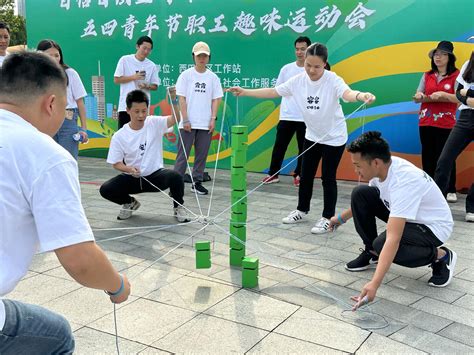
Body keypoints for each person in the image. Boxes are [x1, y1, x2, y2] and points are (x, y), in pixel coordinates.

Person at [0, 51, 131, 354]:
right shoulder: (44, 153)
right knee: (56, 336)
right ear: (51, 103)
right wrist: (117, 285)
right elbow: (80, 260)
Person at [229, 43, 376, 234]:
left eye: (317, 66)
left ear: (325, 64)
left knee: (327, 177)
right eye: (308, 65)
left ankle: (327, 217)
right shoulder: (297, 81)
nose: (312, 70)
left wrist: (361, 95)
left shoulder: (333, 80)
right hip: (312, 135)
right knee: (305, 175)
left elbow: (347, 94)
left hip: (334, 137)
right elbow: (274, 92)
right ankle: (301, 209)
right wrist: (245, 91)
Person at [329, 131, 456, 310]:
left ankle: (440, 256)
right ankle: (372, 253)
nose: (355, 170)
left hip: (432, 227)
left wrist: (374, 284)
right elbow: (368, 201)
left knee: (383, 243)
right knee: (361, 194)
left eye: (358, 165)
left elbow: (393, 238)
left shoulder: (404, 181)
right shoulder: (383, 169)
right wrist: (340, 219)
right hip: (409, 217)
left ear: (375, 162)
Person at [100, 89, 191, 222]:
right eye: (136, 111)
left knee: (176, 176)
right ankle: (130, 203)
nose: (141, 115)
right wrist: (129, 169)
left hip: (155, 177)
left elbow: (175, 119)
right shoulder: (119, 136)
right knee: (106, 189)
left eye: (144, 111)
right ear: (128, 110)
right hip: (133, 177)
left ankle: (178, 207)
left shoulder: (153, 123)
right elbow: (116, 163)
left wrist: (174, 100)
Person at [174, 41, 223, 195]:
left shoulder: (213, 77)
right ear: (193, 57)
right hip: (188, 122)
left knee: (201, 155)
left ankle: (197, 182)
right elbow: (181, 98)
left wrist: (213, 118)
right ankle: (176, 184)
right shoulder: (186, 75)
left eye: (205, 56)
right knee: (183, 155)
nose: (202, 58)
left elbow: (216, 99)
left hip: (205, 123)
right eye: (199, 56)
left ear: (209, 58)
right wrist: (186, 119)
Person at [413, 41, 459, 203]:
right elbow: (419, 93)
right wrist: (419, 96)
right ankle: (429, 187)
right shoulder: (427, 75)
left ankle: (450, 189)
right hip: (426, 121)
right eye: (436, 55)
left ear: (450, 57)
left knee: (446, 156)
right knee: (428, 155)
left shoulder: (457, 76)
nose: (438, 57)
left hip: (446, 122)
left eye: (442, 54)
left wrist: (444, 95)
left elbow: (460, 99)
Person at [262, 36, 311, 187]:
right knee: (279, 146)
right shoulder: (287, 69)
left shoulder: (312, 69)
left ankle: (300, 175)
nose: (299, 52)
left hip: (305, 116)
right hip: (287, 115)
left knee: (303, 148)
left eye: (303, 49)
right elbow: (278, 90)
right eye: (297, 49)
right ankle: (273, 173)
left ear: (309, 49)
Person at [434, 51, 474, 222]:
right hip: (466, 118)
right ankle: (435, 204)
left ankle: (472, 207)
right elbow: (458, 92)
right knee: (444, 160)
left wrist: (469, 92)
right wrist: (467, 98)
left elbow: (465, 91)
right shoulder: (469, 64)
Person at [37, 39, 89, 159]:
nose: (55, 58)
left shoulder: (70, 73)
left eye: (57, 55)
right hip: (45, 120)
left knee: (68, 159)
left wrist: (84, 129)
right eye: (50, 55)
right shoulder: (36, 76)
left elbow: (80, 102)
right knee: (48, 159)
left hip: (68, 119)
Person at [114, 35, 160, 129]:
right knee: (125, 136)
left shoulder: (151, 65)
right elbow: (116, 79)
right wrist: (133, 77)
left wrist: (147, 86)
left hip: (142, 109)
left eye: (149, 49)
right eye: (144, 48)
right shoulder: (125, 60)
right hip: (126, 106)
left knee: (141, 137)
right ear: (137, 46)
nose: (146, 51)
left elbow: (155, 86)